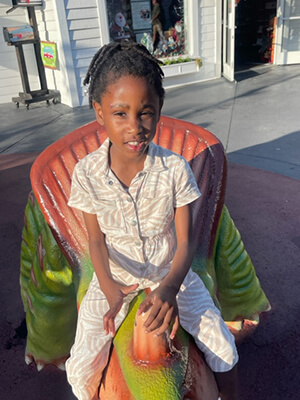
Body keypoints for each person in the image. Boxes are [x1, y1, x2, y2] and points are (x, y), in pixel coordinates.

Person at [66, 41, 239, 400]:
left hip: (169, 272)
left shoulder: (174, 169)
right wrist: (110, 289)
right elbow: (96, 240)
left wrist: (172, 286)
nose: (135, 126)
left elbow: (186, 239)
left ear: (159, 110)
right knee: (81, 364)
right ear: (99, 112)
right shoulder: (86, 173)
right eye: (120, 113)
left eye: (145, 113)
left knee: (223, 347)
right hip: (114, 279)